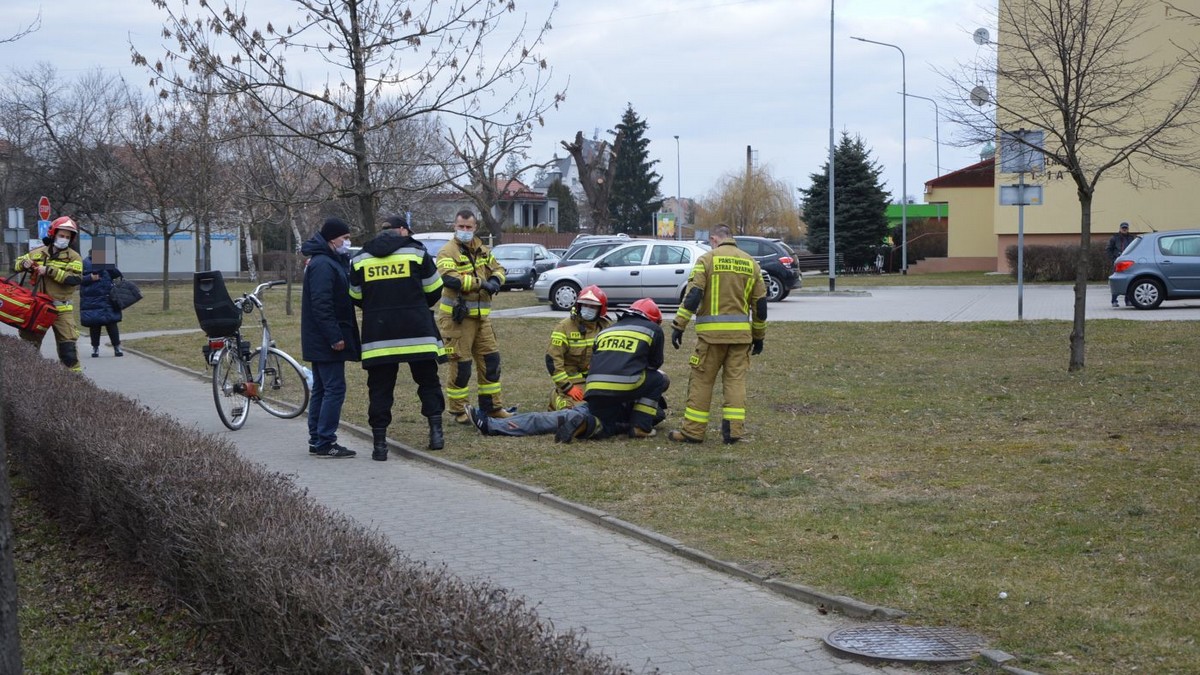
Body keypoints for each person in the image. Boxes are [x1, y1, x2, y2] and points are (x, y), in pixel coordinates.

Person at [351, 215, 447, 460]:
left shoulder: (360, 258)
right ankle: (436, 434)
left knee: (380, 389)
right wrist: (413, 307)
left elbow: (355, 295)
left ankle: (380, 446)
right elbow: (434, 289)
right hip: (417, 332)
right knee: (427, 382)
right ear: (401, 231)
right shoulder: (416, 254)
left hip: (379, 336)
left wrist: (378, 308)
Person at [668, 224, 767, 444]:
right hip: (741, 339)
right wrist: (758, 336)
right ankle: (733, 432)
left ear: (714, 239)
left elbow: (693, 295)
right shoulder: (751, 264)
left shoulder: (707, 260)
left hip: (710, 339)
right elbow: (760, 306)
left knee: (702, 382)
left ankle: (693, 432)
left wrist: (679, 325)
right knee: (735, 383)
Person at [553, 298, 670, 443]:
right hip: (625, 386)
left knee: (606, 424)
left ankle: (584, 424)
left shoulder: (606, 331)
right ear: (654, 320)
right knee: (659, 379)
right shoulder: (653, 329)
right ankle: (641, 427)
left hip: (593, 388)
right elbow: (655, 364)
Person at [434, 209, 512, 424]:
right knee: (461, 366)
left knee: (491, 361)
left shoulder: (483, 249)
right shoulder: (446, 251)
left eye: (469, 227)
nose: (465, 231)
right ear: (454, 226)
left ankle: (493, 407)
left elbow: (500, 269)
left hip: (482, 318)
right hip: (458, 319)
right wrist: (481, 283)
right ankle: (459, 411)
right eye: (461, 227)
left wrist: (496, 280)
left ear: (476, 227)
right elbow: (450, 279)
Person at [301, 217, 361, 459]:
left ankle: (317, 438)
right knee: (334, 389)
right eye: (345, 238)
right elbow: (322, 305)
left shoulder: (327, 260)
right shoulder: (324, 265)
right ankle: (326, 440)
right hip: (326, 339)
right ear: (332, 239)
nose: (348, 242)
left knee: (322, 389)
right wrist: (334, 336)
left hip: (319, 338)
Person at [14, 216, 85, 371]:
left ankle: (74, 383)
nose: (64, 239)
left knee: (68, 351)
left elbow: (74, 279)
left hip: (61, 309)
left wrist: (49, 270)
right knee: (29, 348)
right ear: (53, 234)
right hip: (37, 308)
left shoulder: (74, 257)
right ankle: (29, 381)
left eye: (67, 237)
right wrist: (23, 264)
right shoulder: (37, 253)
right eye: (62, 235)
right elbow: (17, 264)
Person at [546, 285, 611, 410]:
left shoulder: (604, 328)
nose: (588, 309)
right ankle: (557, 398)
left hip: (595, 379)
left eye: (592, 307)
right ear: (578, 306)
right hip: (571, 380)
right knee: (579, 411)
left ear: (600, 310)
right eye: (585, 305)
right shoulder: (564, 327)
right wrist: (567, 387)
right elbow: (552, 360)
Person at [79, 254, 124, 357]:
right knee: (94, 324)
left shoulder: (106, 262)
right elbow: (78, 279)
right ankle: (95, 348)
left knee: (112, 323)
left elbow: (117, 275)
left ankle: (117, 346)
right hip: (92, 299)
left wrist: (110, 266)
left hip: (108, 298)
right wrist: (90, 278)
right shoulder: (85, 263)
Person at [1107, 221, 1136, 307]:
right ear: (1120, 229)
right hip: (1118, 263)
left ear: (1128, 229)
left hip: (1129, 262)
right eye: (1123, 228)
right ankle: (1114, 301)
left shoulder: (1131, 238)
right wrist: (1113, 259)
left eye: (1126, 228)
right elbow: (1108, 249)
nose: (1124, 229)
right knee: (1117, 281)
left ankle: (1128, 300)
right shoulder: (1114, 238)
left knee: (1129, 281)